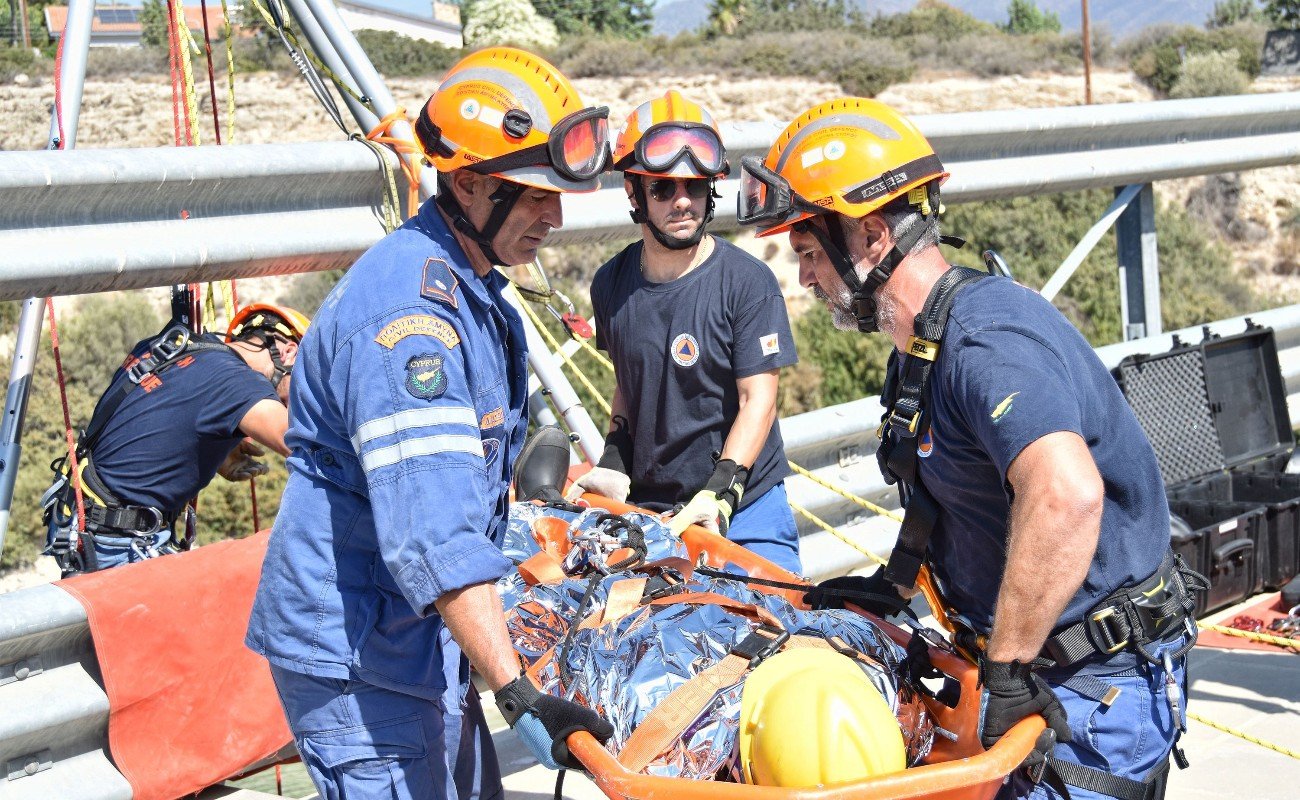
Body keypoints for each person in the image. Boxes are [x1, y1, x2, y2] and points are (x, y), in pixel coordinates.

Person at [738, 98, 1204, 800]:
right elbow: (945, 494)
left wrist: (1010, 672)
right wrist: (894, 584)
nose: (805, 279)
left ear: (867, 236)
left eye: (808, 253)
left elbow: (1067, 494)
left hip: (1087, 691)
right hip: (1026, 671)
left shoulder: (986, 342)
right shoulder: (916, 352)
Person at [244, 47, 614, 800]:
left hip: (414, 636)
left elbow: (470, 489)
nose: (556, 216)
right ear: (472, 184)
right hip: (360, 661)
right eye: (535, 195)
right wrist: (521, 695)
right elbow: (433, 535)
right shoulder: (412, 322)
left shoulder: (474, 297)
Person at [567, 90, 802, 575]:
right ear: (633, 193)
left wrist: (720, 494)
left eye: (694, 188)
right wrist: (612, 459)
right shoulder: (611, 284)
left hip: (745, 509)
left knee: (781, 630)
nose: (682, 202)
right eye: (662, 189)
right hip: (655, 512)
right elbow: (630, 382)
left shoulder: (746, 283)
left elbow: (759, 401)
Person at [43, 303, 307, 575]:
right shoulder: (239, 383)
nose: (293, 401)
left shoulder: (174, 345)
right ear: (288, 352)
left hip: (81, 517)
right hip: (120, 542)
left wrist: (214, 451)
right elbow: (308, 443)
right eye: (304, 382)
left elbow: (157, 418)